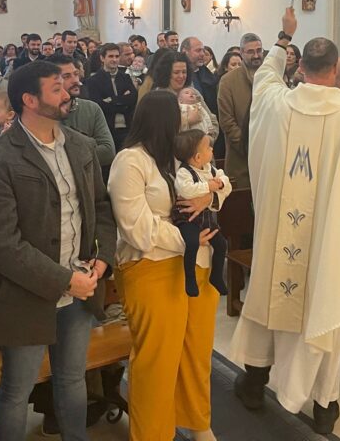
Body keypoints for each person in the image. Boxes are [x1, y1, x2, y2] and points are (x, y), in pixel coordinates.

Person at [230, 8, 340, 435]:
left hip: (274, 239)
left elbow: (265, 73)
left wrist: (284, 35)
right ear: (338, 72)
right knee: (325, 312)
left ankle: (253, 383)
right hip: (325, 245)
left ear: (300, 67)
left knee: (266, 307)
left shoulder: (271, 103)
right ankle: (325, 407)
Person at [0, 60, 116, 441]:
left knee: (72, 378)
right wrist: (65, 280)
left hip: (81, 286)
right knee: (17, 389)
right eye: (57, 88)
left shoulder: (80, 146)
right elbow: (0, 242)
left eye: (66, 85)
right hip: (27, 292)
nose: (68, 93)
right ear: (29, 99)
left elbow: (99, 208)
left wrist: (102, 257)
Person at [108, 90, 226, 441]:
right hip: (151, 265)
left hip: (195, 265)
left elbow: (217, 180)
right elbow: (137, 229)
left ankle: (197, 422)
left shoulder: (176, 159)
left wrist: (211, 195)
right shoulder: (130, 161)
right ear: (163, 120)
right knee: (157, 361)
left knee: (196, 351)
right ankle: (153, 435)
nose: (184, 119)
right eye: (178, 114)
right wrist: (190, 238)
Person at [173, 129, 230, 296]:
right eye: (208, 148)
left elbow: (226, 181)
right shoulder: (184, 172)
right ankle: (189, 279)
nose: (212, 149)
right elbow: (187, 190)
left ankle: (216, 276)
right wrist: (209, 187)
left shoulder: (209, 168)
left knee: (221, 244)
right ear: (197, 157)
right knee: (192, 243)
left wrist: (220, 184)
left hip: (205, 217)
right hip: (188, 218)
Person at [47, 54, 116, 170]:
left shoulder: (91, 108)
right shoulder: (44, 113)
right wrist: (90, 143)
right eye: (66, 76)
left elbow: (108, 152)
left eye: (76, 74)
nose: (75, 80)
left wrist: (63, 154)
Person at [217, 33, 264, 190]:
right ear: (242, 53)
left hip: (268, 158)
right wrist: (248, 147)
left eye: (259, 50)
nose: (256, 55)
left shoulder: (272, 77)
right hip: (240, 159)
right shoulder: (228, 81)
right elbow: (227, 122)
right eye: (251, 52)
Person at [84, 43, 137, 150]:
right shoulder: (93, 81)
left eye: (117, 56)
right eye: (111, 56)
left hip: (127, 128)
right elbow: (99, 105)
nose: (114, 60)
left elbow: (133, 100)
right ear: (102, 58)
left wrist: (112, 100)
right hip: (106, 129)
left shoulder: (125, 77)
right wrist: (122, 102)